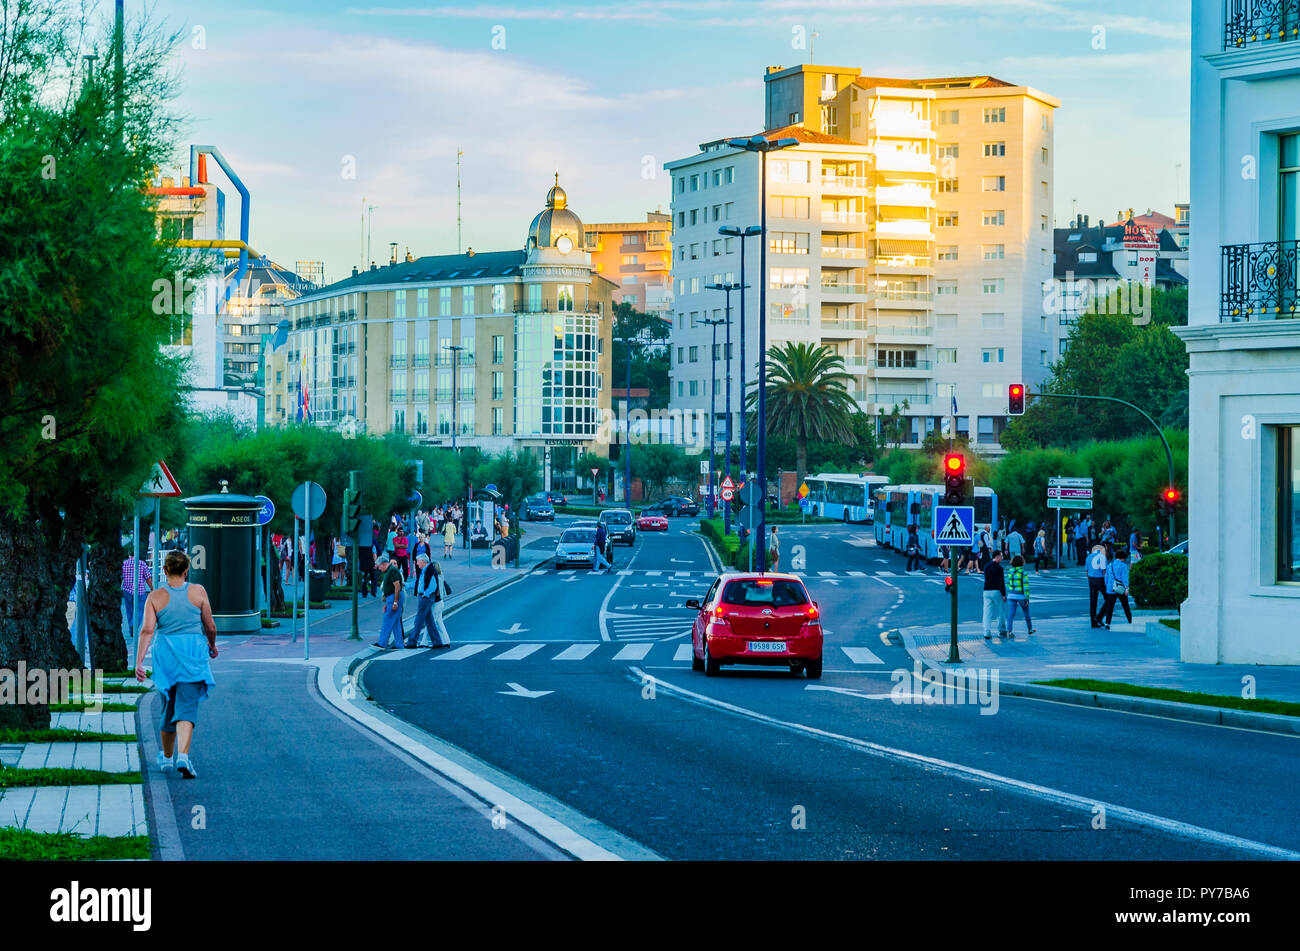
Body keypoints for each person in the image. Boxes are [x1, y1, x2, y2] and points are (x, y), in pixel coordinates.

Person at [134, 550, 217, 780]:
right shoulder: (198, 592)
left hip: (166, 655)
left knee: (168, 706)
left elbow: (148, 630)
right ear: (186, 570)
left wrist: (139, 661)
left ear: (164, 570)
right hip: (192, 653)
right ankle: (183, 755)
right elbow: (209, 625)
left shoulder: (155, 597)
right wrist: (212, 645)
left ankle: (167, 757)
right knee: (187, 707)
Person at [407, 553, 451, 648]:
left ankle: (412, 642)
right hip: (424, 597)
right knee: (430, 621)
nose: (417, 563)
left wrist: (425, 595)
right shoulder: (424, 570)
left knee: (418, 620)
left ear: (423, 561)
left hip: (425, 598)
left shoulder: (430, 570)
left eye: (418, 561)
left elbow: (433, 585)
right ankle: (437, 642)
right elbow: (418, 583)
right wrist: (406, 585)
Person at [121, 548, 153, 640]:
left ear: (128, 553)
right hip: (139, 590)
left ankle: (132, 631)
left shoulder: (124, 563)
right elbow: (148, 578)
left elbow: (121, 577)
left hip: (127, 591)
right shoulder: (142, 563)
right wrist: (152, 588)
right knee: (140, 610)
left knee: (129, 611)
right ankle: (133, 625)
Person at [375, 553, 405, 649]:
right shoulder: (391, 570)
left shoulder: (392, 571)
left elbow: (397, 586)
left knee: (387, 621)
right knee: (396, 622)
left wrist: (395, 602)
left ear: (384, 564)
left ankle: (382, 643)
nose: (379, 569)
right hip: (392, 597)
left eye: (379, 567)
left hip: (394, 597)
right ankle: (399, 644)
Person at [1103, 548, 1134, 628]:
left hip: (1110, 588)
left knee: (1110, 606)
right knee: (1125, 606)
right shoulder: (1123, 566)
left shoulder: (1110, 565)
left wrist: (1108, 585)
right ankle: (1130, 620)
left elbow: (1106, 577)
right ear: (1122, 558)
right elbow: (1125, 578)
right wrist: (1127, 588)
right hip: (1120, 588)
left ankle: (1107, 623)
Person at [1005, 554, 1035, 638]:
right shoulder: (1023, 572)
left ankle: (1009, 631)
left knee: (1011, 613)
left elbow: (1007, 583)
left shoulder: (1009, 571)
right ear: (1022, 562)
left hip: (1011, 595)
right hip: (1021, 595)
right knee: (1026, 613)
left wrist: (1009, 593)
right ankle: (1030, 629)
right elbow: (1025, 587)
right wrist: (1027, 598)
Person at [982, 549, 1007, 640]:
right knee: (1000, 612)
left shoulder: (986, 566)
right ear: (997, 557)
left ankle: (987, 632)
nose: (1002, 558)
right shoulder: (999, 568)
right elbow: (1001, 582)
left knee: (987, 613)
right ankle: (1002, 631)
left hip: (986, 591)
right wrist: (1004, 594)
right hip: (996, 591)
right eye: (1001, 556)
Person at [1086, 543, 1109, 628]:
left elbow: (1087, 571)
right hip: (1100, 579)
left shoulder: (1089, 557)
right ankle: (1099, 617)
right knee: (1109, 598)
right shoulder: (1102, 557)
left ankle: (1093, 622)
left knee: (1093, 601)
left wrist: (1090, 580)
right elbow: (1104, 571)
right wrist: (1107, 582)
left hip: (1091, 579)